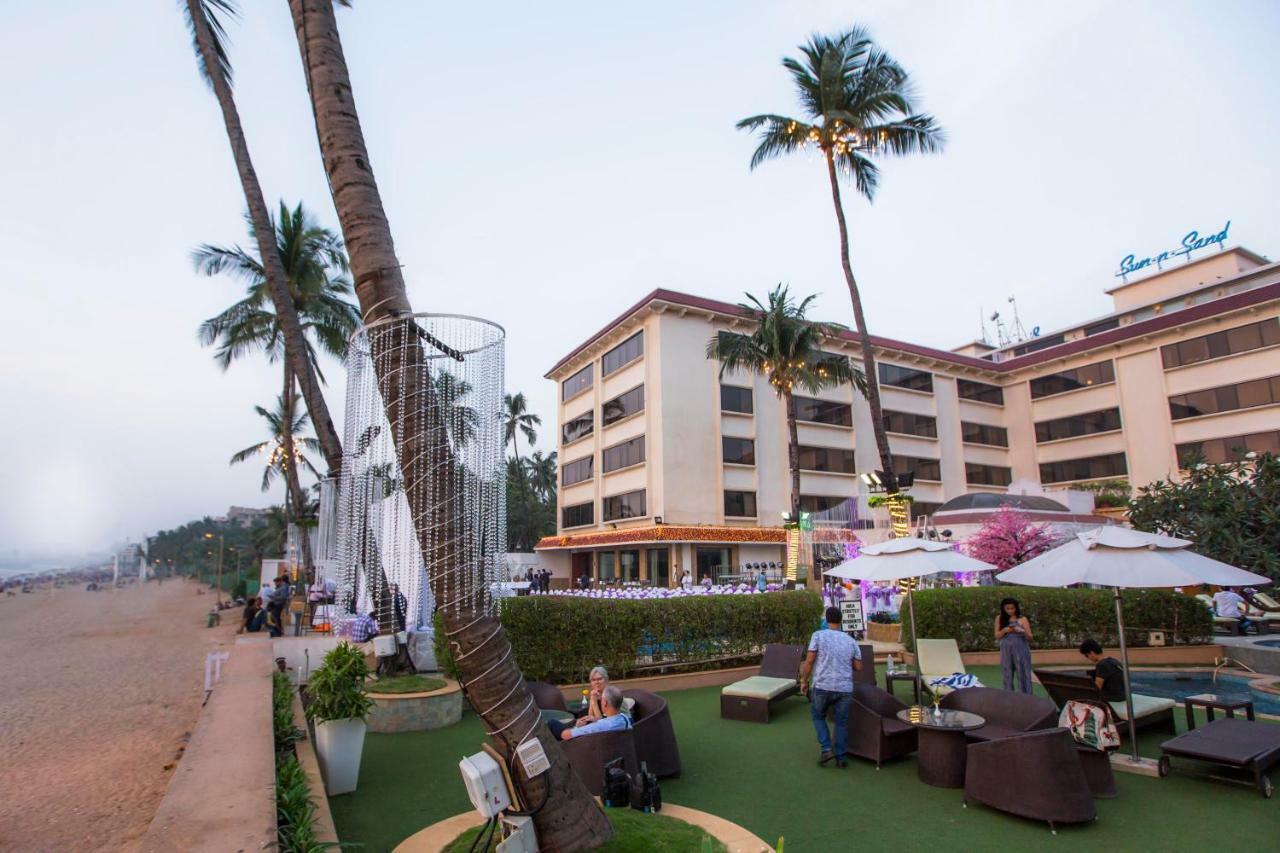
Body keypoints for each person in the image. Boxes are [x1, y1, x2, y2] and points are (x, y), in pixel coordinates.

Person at [800, 606, 863, 768]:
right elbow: (858, 667)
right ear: (841, 620)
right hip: (844, 688)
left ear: (826, 620)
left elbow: (809, 661)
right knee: (841, 723)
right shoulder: (851, 641)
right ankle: (841, 758)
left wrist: (803, 681)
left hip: (822, 685)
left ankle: (827, 749)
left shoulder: (818, 636)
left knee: (818, 716)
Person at [550, 685, 631, 741]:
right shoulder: (624, 719)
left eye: (602, 700)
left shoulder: (597, 727)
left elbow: (566, 735)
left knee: (552, 724)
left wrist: (577, 727)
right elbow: (605, 723)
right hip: (612, 753)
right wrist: (595, 719)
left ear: (605, 703)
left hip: (582, 751)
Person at [995, 597, 1034, 694]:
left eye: (1012, 608)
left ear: (1016, 608)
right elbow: (997, 636)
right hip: (1006, 649)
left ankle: (1026, 697)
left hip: (1021, 648)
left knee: (1023, 672)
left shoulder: (1022, 619)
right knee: (1007, 672)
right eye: (1007, 608)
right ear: (1003, 608)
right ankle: (1009, 697)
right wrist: (1005, 630)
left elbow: (1030, 638)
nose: (1010, 611)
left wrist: (1022, 631)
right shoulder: (999, 618)